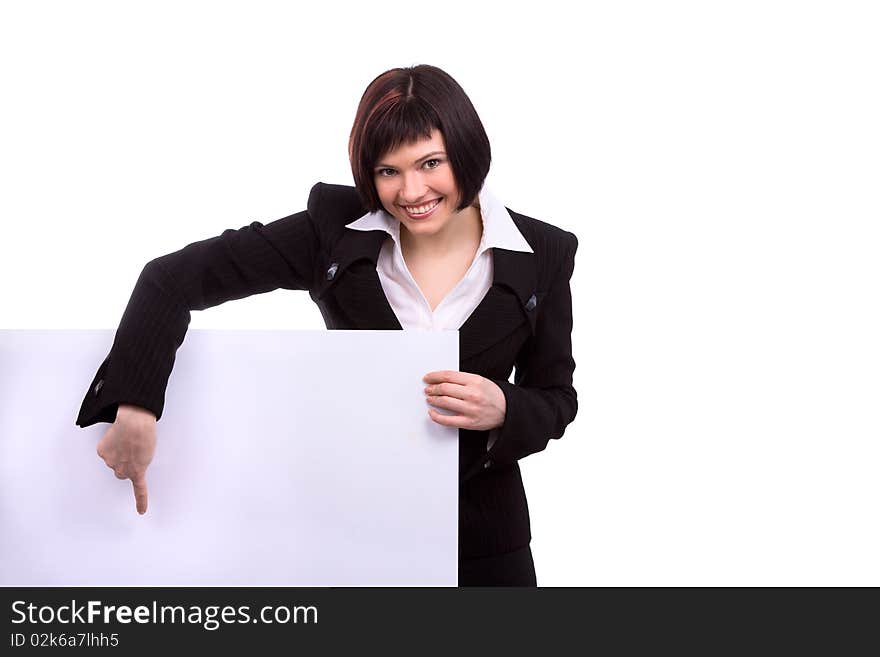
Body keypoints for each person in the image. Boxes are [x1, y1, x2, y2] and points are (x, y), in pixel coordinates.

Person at [76, 64, 579, 587]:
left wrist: (505, 408)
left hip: (482, 542)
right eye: (389, 171)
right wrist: (136, 405)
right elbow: (171, 279)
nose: (411, 191)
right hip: (349, 533)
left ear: (467, 150)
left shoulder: (543, 254)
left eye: (431, 163)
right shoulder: (333, 234)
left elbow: (557, 396)